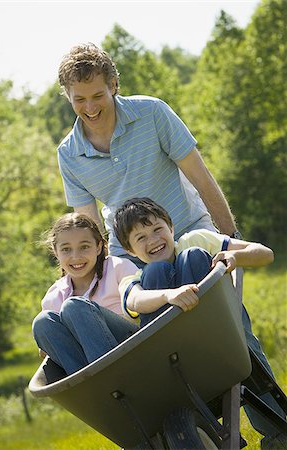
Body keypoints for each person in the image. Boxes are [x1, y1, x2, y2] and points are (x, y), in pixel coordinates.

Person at [113, 197, 286, 449]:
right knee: (156, 272)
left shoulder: (196, 240)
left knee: (193, 256)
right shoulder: (134, 277)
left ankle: (278, 437)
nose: (152, 240)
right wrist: (168, 295)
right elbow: (136, 300)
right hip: (179, 360)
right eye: (140, 238)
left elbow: (265, 254)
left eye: (157, 229)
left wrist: (234, 257)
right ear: (129, 250)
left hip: (224, 336)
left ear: (171, 227)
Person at [57, 42, 241, 262]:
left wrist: (232, 239)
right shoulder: (69, 154)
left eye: (97, 96)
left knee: (208, 283)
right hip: (130, 254)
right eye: (79, 99)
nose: (90, 107)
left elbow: (202, 179)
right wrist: (104, 278)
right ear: (68, 96)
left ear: (113, 85)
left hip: (190, 232)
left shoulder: (152, 113)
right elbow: (91, 227)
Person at [32, 213, 139, 376]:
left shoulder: (117, 268)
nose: (76, 257)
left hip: (132, 347)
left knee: (73, 306)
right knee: (41, 321)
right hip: (86, 364)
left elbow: (141, 305)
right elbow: (51, 346)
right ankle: (91, 383)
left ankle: (110, 376)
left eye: (84, 247)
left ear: (98, 247)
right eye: (66, 249)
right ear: (55, 251)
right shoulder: (54, 296)